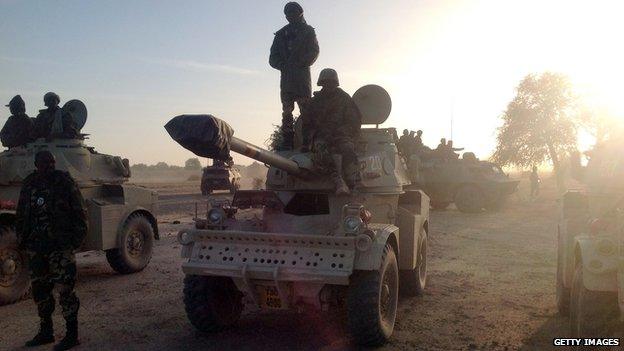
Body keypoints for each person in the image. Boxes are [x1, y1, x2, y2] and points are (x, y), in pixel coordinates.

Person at [16, 151, 87, 351]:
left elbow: (80, 211)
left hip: (60, 246)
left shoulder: (64, 182)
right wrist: (22, 238)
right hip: (36, 247)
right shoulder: (29, 183)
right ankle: (46, 332)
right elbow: (22, 212)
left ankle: (72, 335)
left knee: (66, 290)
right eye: (43, 162)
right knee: (40, 291)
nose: (48, 166)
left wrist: (75, 241)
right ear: (36, 164)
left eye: (51, 162)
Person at [302, 68, 361, 195]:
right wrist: (305, 143)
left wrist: (342, 131)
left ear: (335, 83)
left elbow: (354, 121)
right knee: (322, 150)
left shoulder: (344, 99)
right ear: (322, 83)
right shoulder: (315, 101)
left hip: (342, 134)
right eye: (326, 83)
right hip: (322, 135)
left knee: (347, 148)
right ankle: (338, 180)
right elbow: (307, 123)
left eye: (331, 83)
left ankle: (354, 182)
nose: (329, 85)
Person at [269, 2, 319, 150]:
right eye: (287, 13)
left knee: (306, 112)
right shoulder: (280, 35)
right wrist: (283, 66)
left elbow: (314, 51)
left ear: (300, 13)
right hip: (287, 80)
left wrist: (300, 63)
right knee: (287, 112)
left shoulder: (308, 31)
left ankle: (306, 143)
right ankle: (287, 142)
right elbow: (272, 58)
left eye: (292, 12)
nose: (290, 15)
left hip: (302, 79)